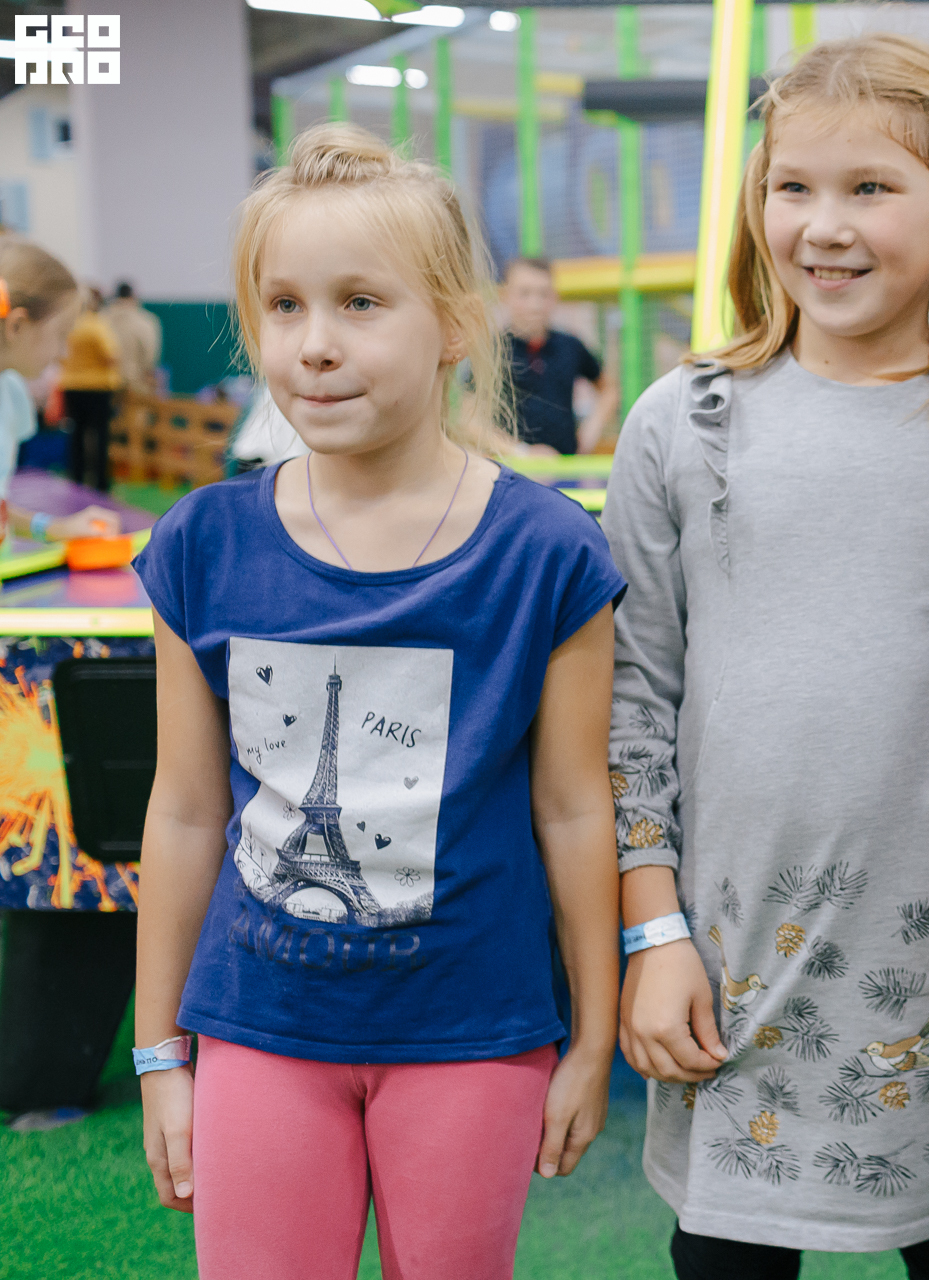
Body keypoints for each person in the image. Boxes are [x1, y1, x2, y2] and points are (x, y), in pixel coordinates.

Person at [608, 36, 929, 1280]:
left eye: (870, 187)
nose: (824, 226)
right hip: (731, 964)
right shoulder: (681, 424)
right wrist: (650, 931)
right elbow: (635, 695)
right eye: (794, 186)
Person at [130, 124, 626, 1278]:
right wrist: (158, 1050)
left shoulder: (548, 551)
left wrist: (594, 1037)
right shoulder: (202, 544)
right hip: (257, 1021)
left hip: (474, 1028)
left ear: (455, 322)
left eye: (360, 303)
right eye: (284, 305)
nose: (314, 344)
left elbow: (572, 806)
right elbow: (186, 811)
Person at [0, 239, 122, 541]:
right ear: (17, 327)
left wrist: (54, 528)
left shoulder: (12, 393)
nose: (64, 352)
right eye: (61, 335)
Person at [502, 256, 617, 455]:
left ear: (554, 297)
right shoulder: (493, 349)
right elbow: (469, 419)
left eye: (543, 294)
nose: (535, 304)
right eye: (524, 293)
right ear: (507, 295)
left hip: (565, 465)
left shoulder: (570, 345)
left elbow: (609, 389)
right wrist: (521, 452)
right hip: (510, 467)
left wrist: (591, 429)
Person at [60, 286, 121, 493]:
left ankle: (76, 477)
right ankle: (101, 482)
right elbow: (111, 356)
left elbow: (61, 355)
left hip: (72, 385)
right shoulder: (97, 325)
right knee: (100, 435)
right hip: (97, 388)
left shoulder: (71, 325)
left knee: (76, 434)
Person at [103, 279, 162, 396]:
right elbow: (150, 358)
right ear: (133, 296)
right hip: (135, 386)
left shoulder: (101, 318)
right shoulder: (147, 321)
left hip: (105, 385)